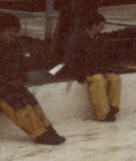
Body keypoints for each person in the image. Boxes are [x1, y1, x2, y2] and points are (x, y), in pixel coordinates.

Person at [0, 12, 65, 145]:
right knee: (19, 106)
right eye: (8, 31)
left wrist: (20, 79)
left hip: (11, 85)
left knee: (31, 102)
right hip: (2, 88)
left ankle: (48, 129)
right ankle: (39, 134)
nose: (12, 34)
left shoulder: (14, 46)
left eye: (14, 31)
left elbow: (22, 66)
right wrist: (6, 84)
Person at [66, 12, 121, 123]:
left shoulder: (98, 38)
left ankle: (113, 108)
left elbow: (104, 56)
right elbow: (72, 60)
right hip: (83, 70)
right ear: (94, 25)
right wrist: (85, 71)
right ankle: (103, 113)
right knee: (98, 80)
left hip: (97, 68)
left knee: (115, 78)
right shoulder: (77, 38)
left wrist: (107, 68)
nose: (103, 27)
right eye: (101, 24)